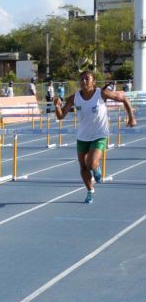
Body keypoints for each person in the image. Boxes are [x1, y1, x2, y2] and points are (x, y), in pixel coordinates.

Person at [54, 70, 136, 204]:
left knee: (90, 163)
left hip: (99, 134)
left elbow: (123, 98)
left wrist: (131, 117)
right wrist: (57, 106)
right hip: (82, 136)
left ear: (93, 82)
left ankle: (96, 167)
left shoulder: (101, 94)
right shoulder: (74, 98)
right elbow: (60, 116)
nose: (84, 82)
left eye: (87, 79)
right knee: (83, 167)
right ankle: (90, 191)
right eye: (82, 79)